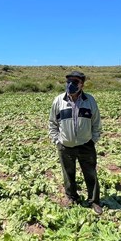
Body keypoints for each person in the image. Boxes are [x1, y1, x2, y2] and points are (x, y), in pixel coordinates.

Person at [49, 71, 103, 215]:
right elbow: (52, 123)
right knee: (68, 173)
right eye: (68, 82)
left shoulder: (90, 101)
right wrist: (57, 141)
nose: (70, 85)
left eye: (75, 82)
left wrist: (93, 140)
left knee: (90, 174)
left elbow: (96, 123)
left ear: (82, 85)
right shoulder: (58, 101)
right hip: (65, 146)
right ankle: (72, 197)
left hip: (86, 145)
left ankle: (94, 201)